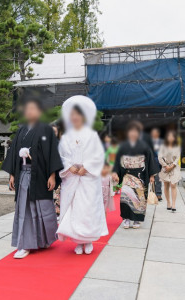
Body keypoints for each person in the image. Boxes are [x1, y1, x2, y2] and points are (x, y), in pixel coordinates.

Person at [2, 98, 63, 259]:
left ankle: (43, 240)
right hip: (23, 175)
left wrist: (52, 175)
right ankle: (26, 244)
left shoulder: (46, 130)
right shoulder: (22, 131)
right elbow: (13, 153)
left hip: (40, 175)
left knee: (42, 209)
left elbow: (52, 153)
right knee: (25, 210)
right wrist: (12, 174)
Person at [57, 95, 108, 255]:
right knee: (74, 211)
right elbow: (61, 156)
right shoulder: (65, 137)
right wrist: (69, 167)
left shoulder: (92, 135)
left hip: (88, 179)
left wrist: (86, 167)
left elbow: (98, 156)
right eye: (72, 115)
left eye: (78, 115)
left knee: (88, 210)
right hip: (72, 178)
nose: (75, 117)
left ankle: (88, 240)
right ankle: (77, 242)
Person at [112, 121, 158, 229]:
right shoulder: (123, 146)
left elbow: (150, 160)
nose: (133, 134)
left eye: (135, 132)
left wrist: (152, 175)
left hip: (140, 175)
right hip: (127, 175)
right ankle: (126, 219)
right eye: (131, 131)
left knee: (140, 198)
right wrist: (115, 172)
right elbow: (118, 160)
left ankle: (137, 220)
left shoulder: (144, 146)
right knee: (125, 197)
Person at [158, 130, 181, 212]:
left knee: (173, 185)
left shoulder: (177, 147)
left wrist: (173, 165)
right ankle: (168, 203)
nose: (170, 138)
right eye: (169, 136)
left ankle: (174, 204)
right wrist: (165, 165)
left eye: (172, 136)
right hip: (165, 168)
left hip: (174, 167)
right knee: (166, 185)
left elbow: (178, 157)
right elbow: (160, 157)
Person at [151, 127, 163, 201]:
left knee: (158, 179)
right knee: (150, 179)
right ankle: (150, 194)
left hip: (159, 162)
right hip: (151, 162)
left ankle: (158, 194)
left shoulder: (162, 142)